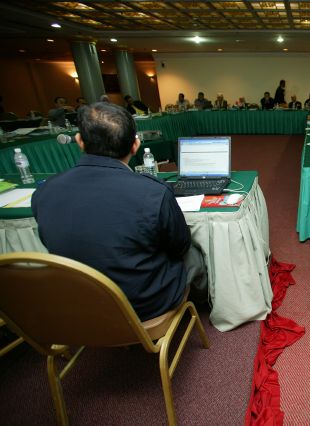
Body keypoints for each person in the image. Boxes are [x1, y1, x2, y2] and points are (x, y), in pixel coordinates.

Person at [32, 102, 208, 321]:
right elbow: (180, 245)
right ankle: (202, 305)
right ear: (135, 145)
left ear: (79, 141)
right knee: (193, 253)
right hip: (145, 306)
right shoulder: (153, 192)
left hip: (78, 303)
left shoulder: (45, 190)